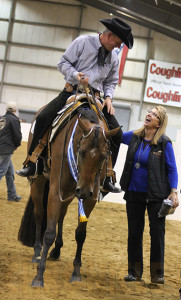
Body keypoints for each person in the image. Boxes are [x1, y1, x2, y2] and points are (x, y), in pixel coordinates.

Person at [16, 17, 133, 193]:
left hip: (95, 99)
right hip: (71, 91)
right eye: (117, 43)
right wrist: (76, 74)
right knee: (42, 118)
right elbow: (62, 63)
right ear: (109, 36)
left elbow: (111, 82)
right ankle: (33, 163)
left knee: (117, 134)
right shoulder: (82, 42)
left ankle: (108, 177)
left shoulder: (114, 59)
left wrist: (108, 97)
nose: (118, 47)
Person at [119, 106, 179, 284]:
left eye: (153, 115)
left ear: (158, 123)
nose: (149, 115)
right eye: (149, 112)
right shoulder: (134, 137)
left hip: (157, 195)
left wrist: (174, 191)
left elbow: (172, 169)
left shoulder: (164, 143)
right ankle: (134, 273)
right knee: (134, 233)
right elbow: (116, 136)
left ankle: (157, 274)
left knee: (157, 234)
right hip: (134, 192)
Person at [0, 101, 22, 202]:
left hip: (2, 148)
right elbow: (17, 135)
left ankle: (12, 195)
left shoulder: (2, 118)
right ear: (15, 110)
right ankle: (12, 195)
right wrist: (16, 145)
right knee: (2, 171)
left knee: (10, 173)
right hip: (6, 149)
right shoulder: (14, 119)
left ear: (6, 109)